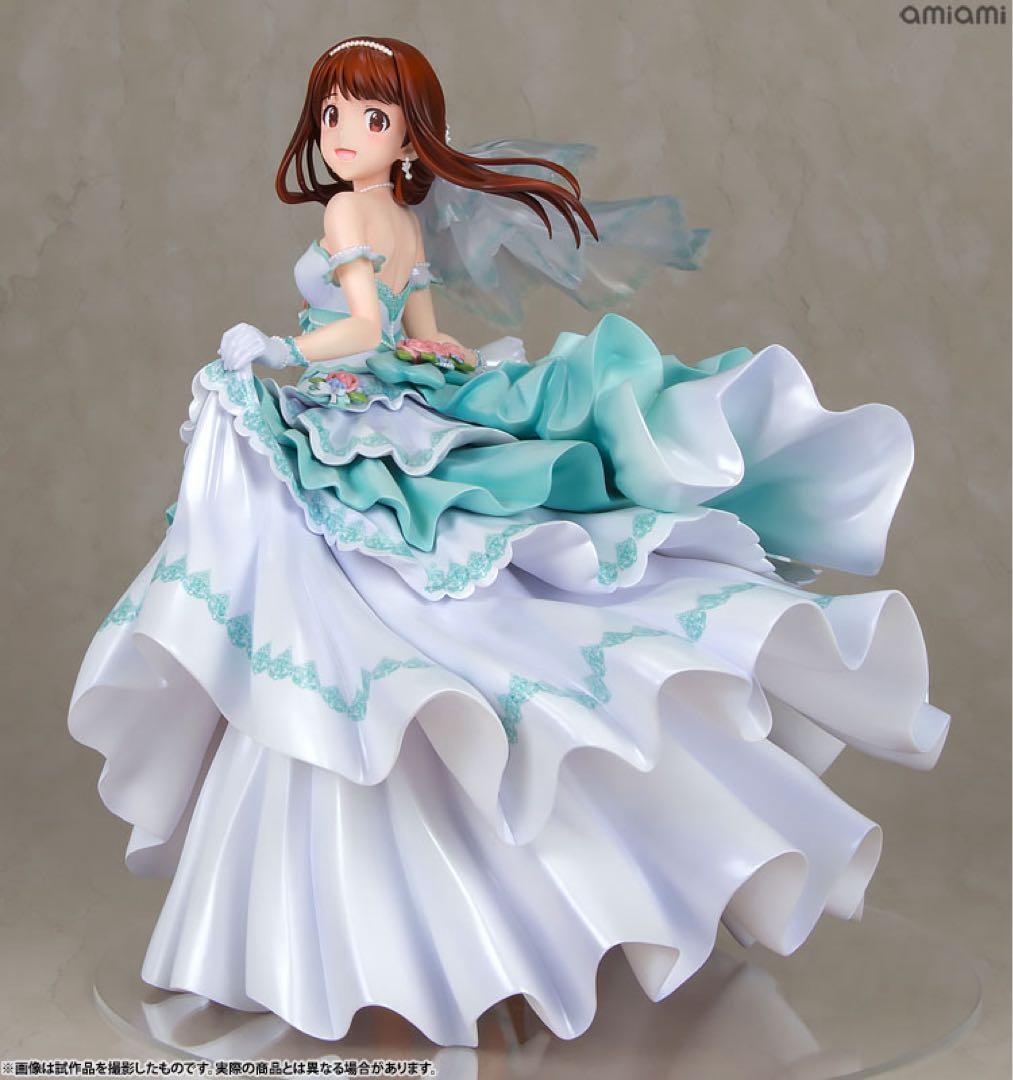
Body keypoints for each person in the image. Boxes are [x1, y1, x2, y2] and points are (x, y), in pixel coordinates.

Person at [68, 36, 950, 1047]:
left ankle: (380, 931)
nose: (344, 135)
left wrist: (274, 347)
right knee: (406, 641)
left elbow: (366, 332)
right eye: (332, 115)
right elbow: (421, 331)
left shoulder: (354, 213)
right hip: (387, 417)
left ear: (408, 135)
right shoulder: (401, 217)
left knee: (340, 650)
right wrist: (438, 365)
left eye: (370, 117)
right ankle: (488, 918)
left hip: (357, 422)